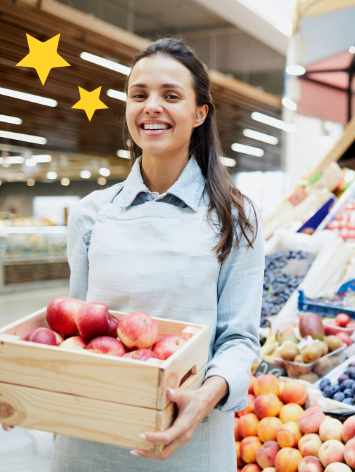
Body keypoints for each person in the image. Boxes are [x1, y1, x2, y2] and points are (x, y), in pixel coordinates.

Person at [49, 37, 263, 471]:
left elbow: (239, 340)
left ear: (200, 113)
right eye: (139, 94)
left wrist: (206, 397)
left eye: (171, 95)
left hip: (188, 436)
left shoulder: (235, 216)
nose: (151, 107)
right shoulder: (92, 214)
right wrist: (31, 393)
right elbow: (74, 332)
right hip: (91, 437)